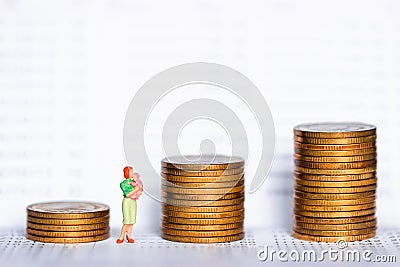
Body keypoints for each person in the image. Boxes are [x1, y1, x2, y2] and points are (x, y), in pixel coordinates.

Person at [116, 166, 143, 244]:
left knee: (132, 220)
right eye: (131, 172)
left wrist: (139, 191)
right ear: (127, 173)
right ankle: (121, 236)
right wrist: (136, 189)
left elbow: (140, 190)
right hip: (127, 201)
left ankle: (129, 235)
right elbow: (127, 195)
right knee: (126, 221)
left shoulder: (135, 181)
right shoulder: (123, 184)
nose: (132, 173)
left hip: (133, 201)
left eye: (132, 171)